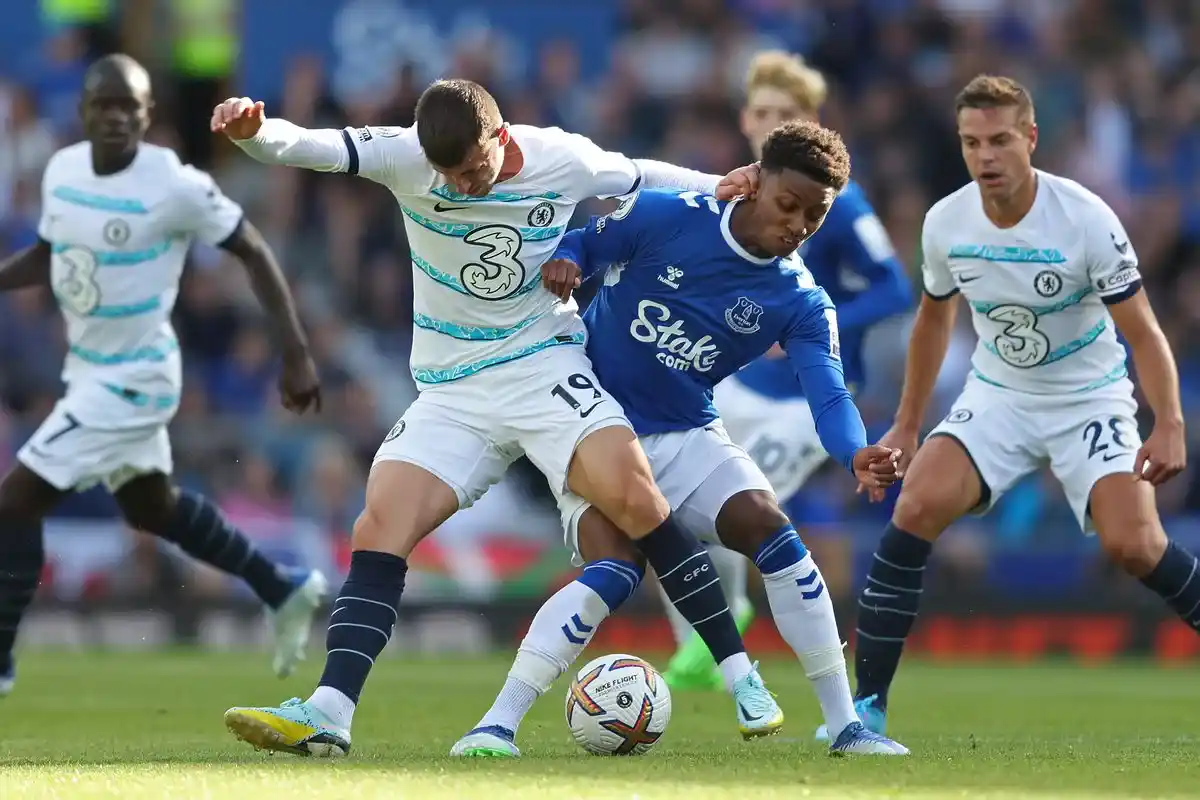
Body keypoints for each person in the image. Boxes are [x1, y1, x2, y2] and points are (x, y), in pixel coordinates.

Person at [213, 78, 781, 758]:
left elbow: (638, 175)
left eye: (475, 169)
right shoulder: (407, 155)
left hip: (544, 366)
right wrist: (254, 133)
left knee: (636, 499)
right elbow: (309, 148)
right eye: (449, 176)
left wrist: (721, 182)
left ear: (500, 135)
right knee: (380, 524)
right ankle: (328, 714)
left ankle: (742, 677)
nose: (463, 186)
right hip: (453, 389)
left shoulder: (559, 157)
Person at [451, 119, 910, 758]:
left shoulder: (801, 301)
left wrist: (855, 450)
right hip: (591, 426)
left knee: (772, 531)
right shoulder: (670, 216)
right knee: (613, 572)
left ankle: (845, 726)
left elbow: (828, 393)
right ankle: (495, 725)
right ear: (754, 185)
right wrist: (566, 260)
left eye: (815, 214)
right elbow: (588, 241)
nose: (799, 225)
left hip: (688, 433)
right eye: (788, 204)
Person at [828, 74, 1199, 740]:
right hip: (999, 393)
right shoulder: (948, 221)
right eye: (972, 143)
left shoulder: (1085, 219)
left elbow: (1143, 331)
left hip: (1088, 395)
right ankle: (865, 714)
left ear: (1029, 139)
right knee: (914, 506)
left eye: (1000, 140)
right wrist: (907, 427)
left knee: (1137, 545)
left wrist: (1169, 422)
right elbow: (933, 323)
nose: (986, 156)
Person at [0, 54, 327, 697]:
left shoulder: (174, 184)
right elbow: (52, 252)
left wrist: (295, 353)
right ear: (84, 111)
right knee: (153, 508)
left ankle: (1, 659)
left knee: (14, 501)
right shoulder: (63, 171)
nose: (118, 117)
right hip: (88, 370)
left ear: (148, 116)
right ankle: (279, 585)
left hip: (138, 376)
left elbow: (251, 249)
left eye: (131, 107)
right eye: (105, 105)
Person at [659, 51, 912, 692]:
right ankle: (715, 631)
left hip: (809, 392)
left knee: (732, 501)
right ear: (746, 118)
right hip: (736, 382)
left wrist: (819, 327)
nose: (771, 122)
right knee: (669, 500)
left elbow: (894, 289)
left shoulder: (842, 203)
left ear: (810, 123)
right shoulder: (725, 192)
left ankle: (733, 633)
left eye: (786, 114)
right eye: (763, 112)